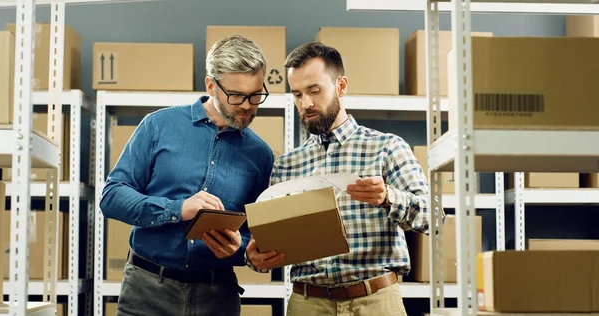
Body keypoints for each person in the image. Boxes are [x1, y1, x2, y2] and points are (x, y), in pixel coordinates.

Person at [247, 42, 432, 316]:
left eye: (314, 91)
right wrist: (255, 257)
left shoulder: (386, 148)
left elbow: (433, 218)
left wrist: (388, 197)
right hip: (307, 303)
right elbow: (271, 245)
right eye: (297, 94)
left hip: (376, 301)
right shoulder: (287, 166)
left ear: (341, 86)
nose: (305, 103)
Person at [100, 34, 278, 316]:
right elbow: (111, 196)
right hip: (147, 292)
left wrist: (241, 249)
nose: (247, 105)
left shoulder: (261, 155)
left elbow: (256, 236)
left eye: (256, 95)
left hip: (217, 297)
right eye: (236, 95)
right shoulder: (158, 126)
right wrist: (178, 209)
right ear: (211, 85)